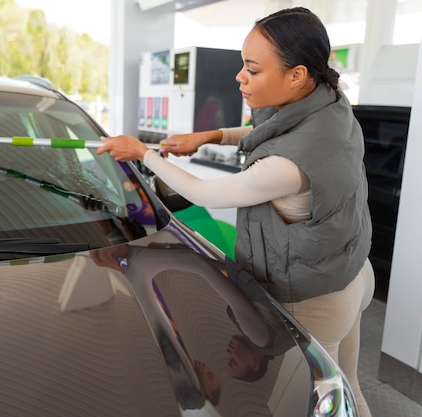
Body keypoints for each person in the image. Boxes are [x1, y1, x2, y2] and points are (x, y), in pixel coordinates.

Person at [97, 7, 374, 417]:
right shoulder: (331, 104)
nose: (239, 77)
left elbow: (206, 192)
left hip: (316, 300)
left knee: (296, 407)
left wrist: (141, 153)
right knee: (345, 393)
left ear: (296, 75)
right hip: (352, 274)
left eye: (253, 70)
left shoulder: (286, 166)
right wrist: (210, 136)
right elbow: (269, 131)